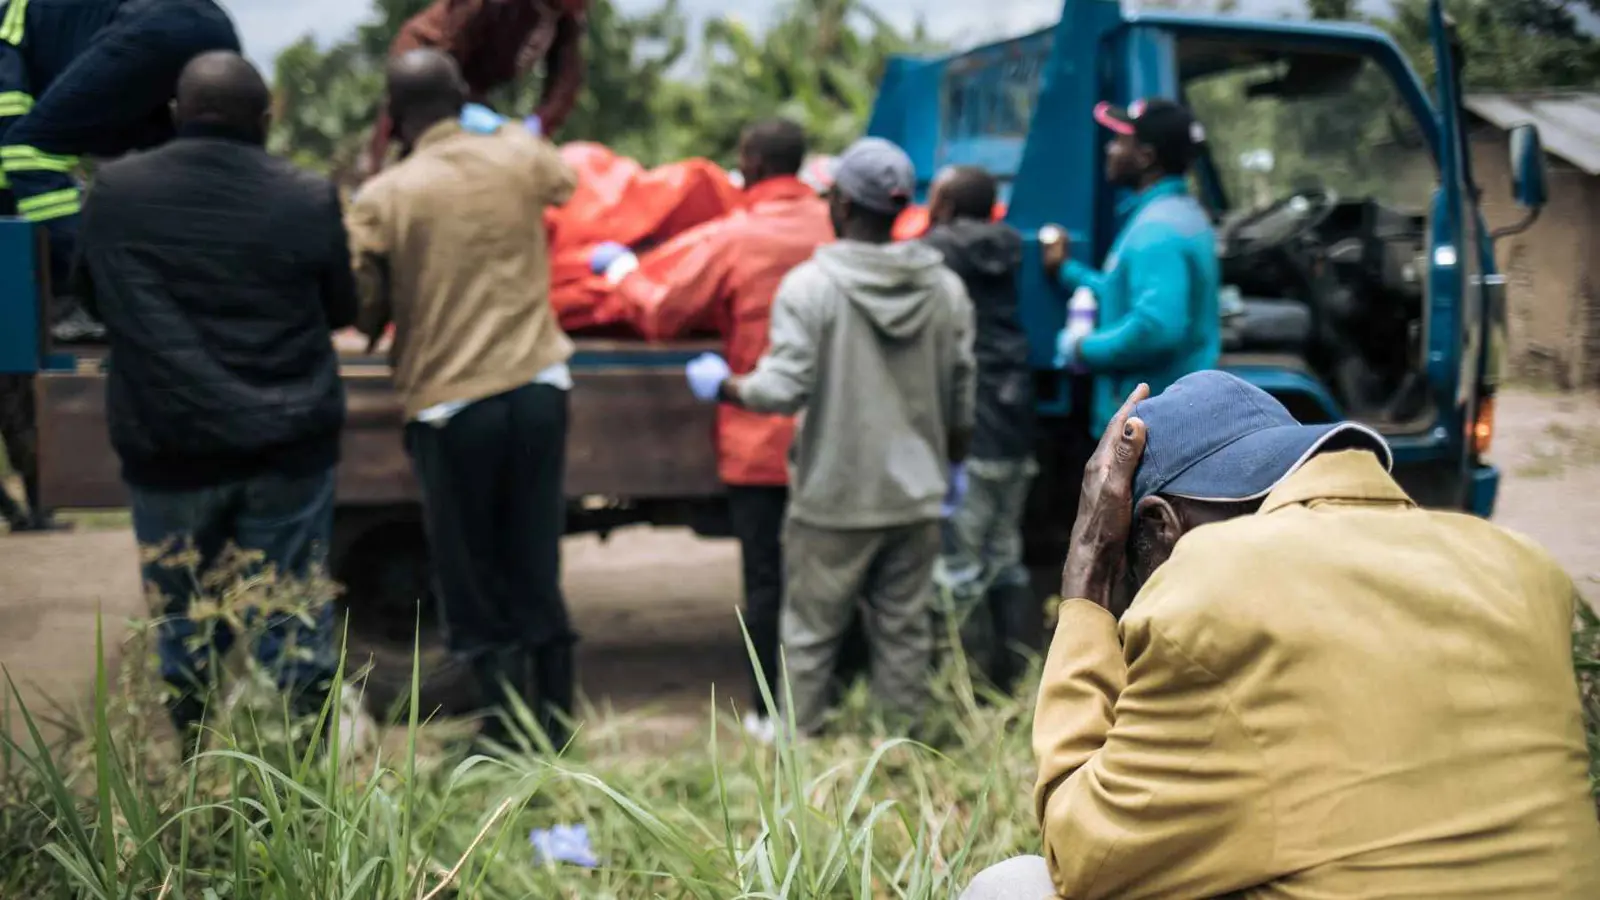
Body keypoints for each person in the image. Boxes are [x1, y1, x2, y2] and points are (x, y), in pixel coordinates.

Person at [961, 371, 1600, 899]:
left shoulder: (1212, 583)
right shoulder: (1523, 568)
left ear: (1158, 528)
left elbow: (1082, 859)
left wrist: (1092, 570)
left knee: (1012, 886)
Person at [70, 52, 353, 742]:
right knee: (290, 628)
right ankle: (300, 806)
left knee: (184, 626)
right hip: (287, 449)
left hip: (168, 449)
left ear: (175, 115)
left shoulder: (116, 191)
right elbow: (341, 308)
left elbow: (88, 298)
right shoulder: (307, 194)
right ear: (265, 119)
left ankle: (196, 774)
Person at [686, 137, 976, 736]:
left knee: (812, 633)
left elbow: (781, 389)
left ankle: (801, 760)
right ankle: (900, 757)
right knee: (904, 632)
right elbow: (960, 393)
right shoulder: (945, 290)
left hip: (835, 498)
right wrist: (952, 464)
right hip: (916, 494)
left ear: (840, 203)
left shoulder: (811, 288)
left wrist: (725, 387)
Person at [348, 49, 580, 752]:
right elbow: (565, 180)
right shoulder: (518, 157)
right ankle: (559, 725)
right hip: (539, 386)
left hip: (453, 406)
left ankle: (504, 734)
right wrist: (506, 130)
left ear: (393, 116)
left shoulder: (386, 195)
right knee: (535, 561)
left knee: (471, 573)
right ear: (462, 97)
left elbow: (363, 309)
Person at [594, 118, 835, 740]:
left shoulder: (734, 238)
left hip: (759, 440)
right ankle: (833, 696)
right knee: (836, 573)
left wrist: (621, 271)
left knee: (766, 578)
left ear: (750, 159)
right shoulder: (839, 226)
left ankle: (769, 709)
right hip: (838, 439)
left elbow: (662, 310)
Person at [0, 0, 242, 342]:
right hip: (213, 26)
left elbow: (10, 134)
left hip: (149, 29)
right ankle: (217, 294)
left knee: (25, 153)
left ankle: (92, 299)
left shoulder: (5, 30)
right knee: (175, 169)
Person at [1041, 97, 1220, 438]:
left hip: (1149, 430)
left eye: (1121, 141)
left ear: (1146, 156)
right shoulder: (1178, 214)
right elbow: (1118, 291)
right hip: (1166, 419)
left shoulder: (1157, 230)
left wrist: (1081, 348)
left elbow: (1155, 329)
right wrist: (1065, 270)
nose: (1110, 149)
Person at [921, 165, 1035, 693]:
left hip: (976, 430)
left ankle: (965, 691)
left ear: (944, 204)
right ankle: (1018, 681)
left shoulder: (937, 251)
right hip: (1015, 425)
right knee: (1006, 559)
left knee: (959, 570)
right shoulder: (1010, 245)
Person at [364, 0, 587, 177]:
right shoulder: (492, 4)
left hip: (474, 84)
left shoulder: (566, 17)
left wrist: (540, 124)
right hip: (429, 62)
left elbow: (566, 81)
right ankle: (373, 179)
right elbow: (451, 46)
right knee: (423, 136)